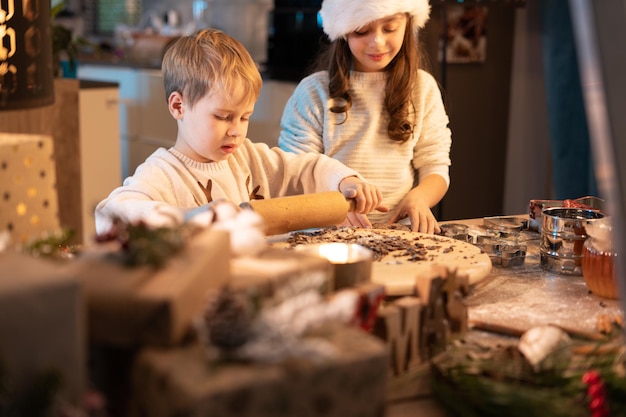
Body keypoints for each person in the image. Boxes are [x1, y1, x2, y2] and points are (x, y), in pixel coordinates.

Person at [95, 29, 385, 235]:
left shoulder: (248, 158)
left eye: (244, 117)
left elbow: (303, 168)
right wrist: (189, 219)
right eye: (223, 117)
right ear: (178, 106)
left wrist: (344, 179)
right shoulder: (164, 174)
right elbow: (112, 213)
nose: (236, 131)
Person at [278, 0, 452, 234]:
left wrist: (420, 198)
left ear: (408, 25)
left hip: (398, 234)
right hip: (327, 234)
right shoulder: (313, 92)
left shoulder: (423, 88)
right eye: (362, 30)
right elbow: (295, 172)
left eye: (390, 28)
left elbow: (435, 166)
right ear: (343, 32)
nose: (377, 41)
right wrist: (334, 207)